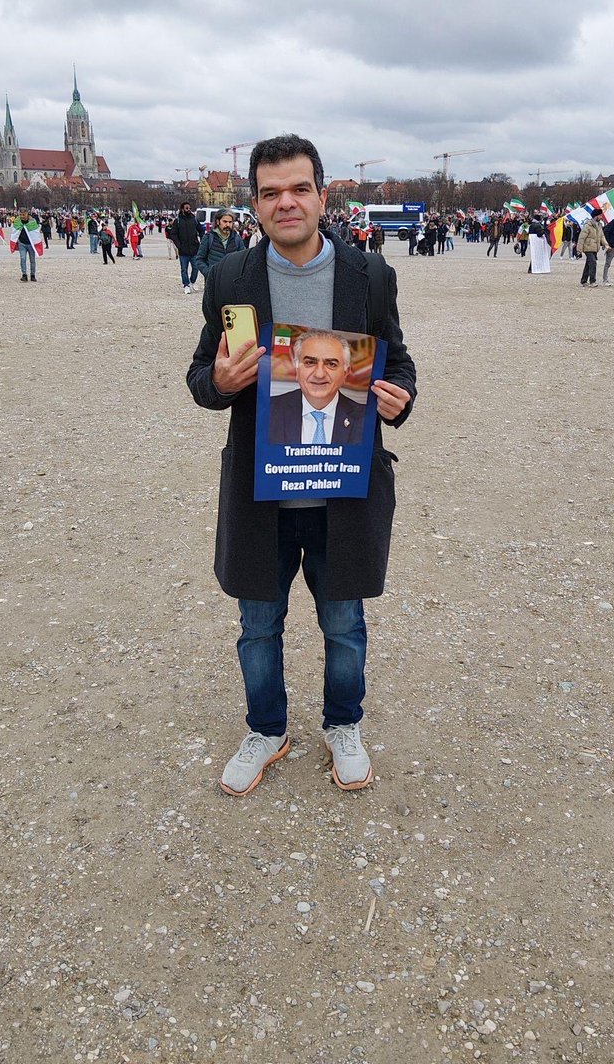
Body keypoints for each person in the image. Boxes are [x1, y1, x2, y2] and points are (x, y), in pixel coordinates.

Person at [186, 133, 416, 796]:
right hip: (261, 493)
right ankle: (267, 728)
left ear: (322, 193)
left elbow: (395, 360)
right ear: (254, 203)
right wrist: (220, 384)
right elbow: (203, 374)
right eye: (269, 192)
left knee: (343, 624)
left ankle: (343, 724)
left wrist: (400, 397)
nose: (285, 202)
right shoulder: (230, 278)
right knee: (256, 623)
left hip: (341, 490)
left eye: (298, 188)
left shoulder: (369, 274)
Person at [269, 330, 366, 445]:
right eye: (310, 362)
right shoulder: (269, 411)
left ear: (346, 373)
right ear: (297, 370)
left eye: (331, 364)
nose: (319, 374)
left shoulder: (365, 417)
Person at [194, 209, 245, 279]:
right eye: (225, 221)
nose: (228, 224)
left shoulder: (237, 239)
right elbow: (199, 259)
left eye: (230, 222)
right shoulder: (208, 238)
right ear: (218, 222)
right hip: (213, 283)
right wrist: (209, 273)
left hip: (232, 282)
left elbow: (243, 260)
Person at [169, 201, 201, 294]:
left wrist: (201, 241)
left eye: (189, 208)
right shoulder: (178, 221)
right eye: (187, 208)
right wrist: (179, 245)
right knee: (184, 269)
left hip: (194, 248)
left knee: (196, 267)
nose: (189, 210)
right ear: (182, 209)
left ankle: (192, 281)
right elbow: (173, 234)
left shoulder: (194, 219)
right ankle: (186, 285)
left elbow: (201, 230)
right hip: (183, 250)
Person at [578, 210, 608, 287]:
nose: (601, 217)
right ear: (596, 216)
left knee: (588, 264)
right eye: (600, 215)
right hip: (588, 247)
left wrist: (606, 244)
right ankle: (592, 281)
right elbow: (581, 238)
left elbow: (602, 236)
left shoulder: (599, 225)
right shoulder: (588, 226)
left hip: (595, 248)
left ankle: (583, 281)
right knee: (593, 262)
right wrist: (579, 250)